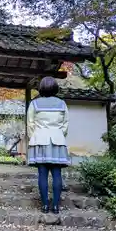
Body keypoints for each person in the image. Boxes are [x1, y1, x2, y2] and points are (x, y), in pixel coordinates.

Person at [27, 76, 70, 214]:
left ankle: (45, 205)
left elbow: (30, 124)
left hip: (40, 140)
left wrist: (35, 135)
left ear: (41, 88)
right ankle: (56, 206)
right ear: (55, 88)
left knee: (42, 174)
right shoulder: (62, 104)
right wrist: (58, 133)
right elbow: (65, 124)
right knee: (57, 173)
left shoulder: (34, 104)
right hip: (57, 140)